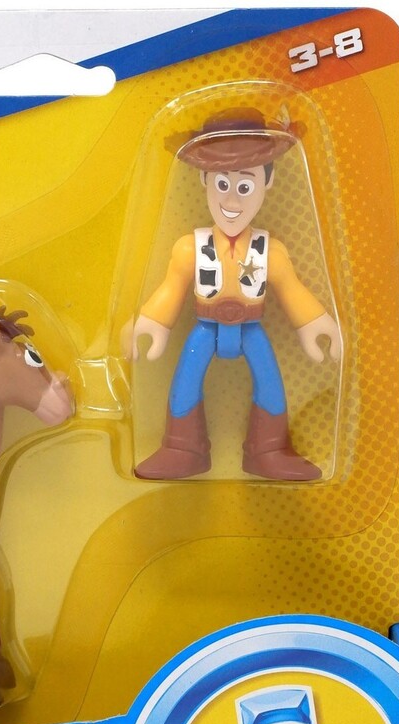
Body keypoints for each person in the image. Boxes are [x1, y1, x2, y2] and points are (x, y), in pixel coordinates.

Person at [130, 108, 341, 481]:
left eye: (245, 186)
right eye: (222, 184)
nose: (231, 201)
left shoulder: (269, 251)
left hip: (252, 329)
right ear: (204, 179)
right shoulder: (189, 248)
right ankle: (183, 448)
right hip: (204, 328)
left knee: (270, 382)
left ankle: (268, 450)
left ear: (267, 181)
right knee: (185, 379)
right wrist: (152, 322)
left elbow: (292, 290)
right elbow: (171, 289)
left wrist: (314, 323)